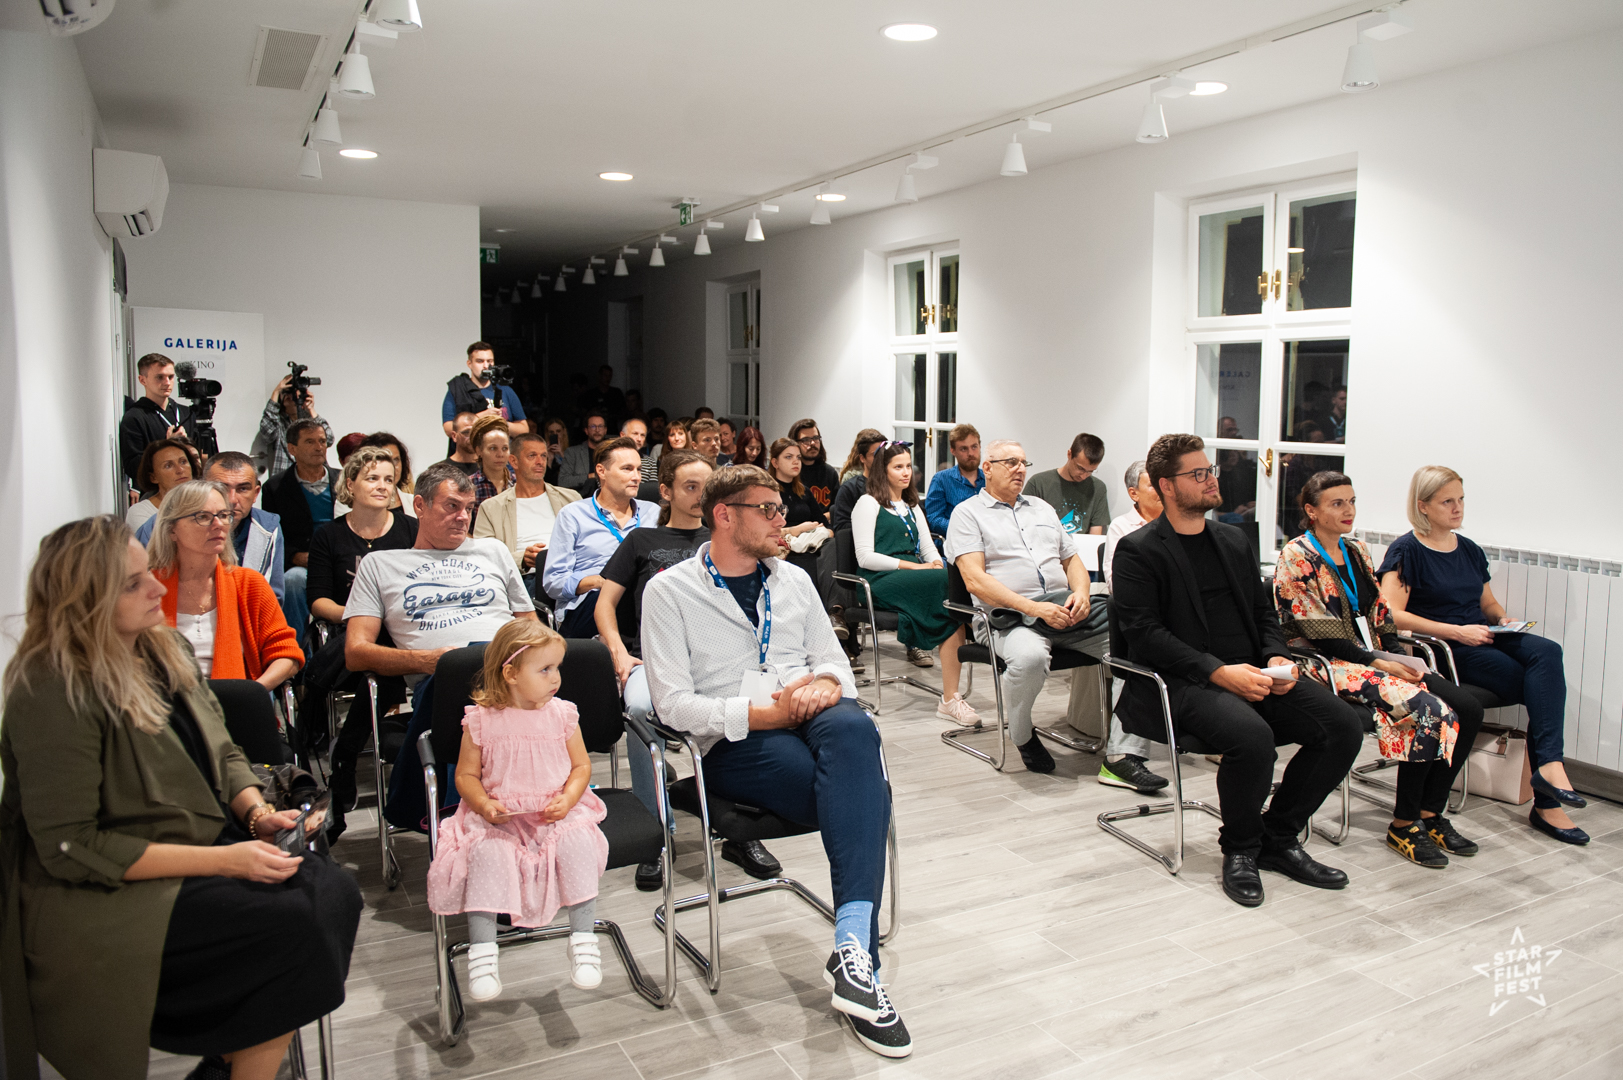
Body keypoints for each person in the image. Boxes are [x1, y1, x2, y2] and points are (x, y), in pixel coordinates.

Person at [0, 516, 360, 1080]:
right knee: (287, 925)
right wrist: (227, 860)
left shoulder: (160, 648)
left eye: (148, 573)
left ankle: (229, 1061)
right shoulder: (53, 689)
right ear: (84, 600)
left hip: (196, 841)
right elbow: (74, 846)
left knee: (333, 892)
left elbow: (222, 750)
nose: (156, 588)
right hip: (107, 888)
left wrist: (257, 813)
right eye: (132, 583)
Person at [641, 465, 912, 1059]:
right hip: (733, 738)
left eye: (780, 508)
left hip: (809, 713)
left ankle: (852, 951)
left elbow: (834, 661)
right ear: (724, 515)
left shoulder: (794, 580)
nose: (780, 520)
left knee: (854, 725)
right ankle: (859, 955)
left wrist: (825, 683)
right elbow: (673, 705)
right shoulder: (668, 592)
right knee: (866, 795)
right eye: (766, 509)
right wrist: (764, 714)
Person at [1112, 434, 1362, 907]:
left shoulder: (1232, 539)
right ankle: (1241, 849)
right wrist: (1218, 672)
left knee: (1342, 726)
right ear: (1167, 486)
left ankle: (1278, 837)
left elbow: (1264, 614)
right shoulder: (1138, 550)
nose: (1211, 480)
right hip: (1183, 681)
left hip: (1256, 672)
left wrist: (1275, 656)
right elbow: (1146, 636)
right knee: (1252, 738)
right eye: (1197, 474)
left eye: (1209, 471)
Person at [1276, 471, 1484, 867]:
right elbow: (1318, 633)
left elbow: (1379, 612)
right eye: (1337, 503)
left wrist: (1400, 657)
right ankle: (1404, 824)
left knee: (1468, 709)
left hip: (1373, 657)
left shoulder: (1356, 550)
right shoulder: (1296, 555)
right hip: (1326, 663)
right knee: (1427, 710)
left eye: (1352, 501)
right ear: (1311, 511)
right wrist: (1381, 663)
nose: (1349, 510)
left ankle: (1430, 813)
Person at [1378, 466, 1587, 845]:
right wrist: (1456, 631)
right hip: (1449, 648)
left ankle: (1550, 767)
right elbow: (1392, 614)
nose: (1457, 508)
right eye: (1447, 501)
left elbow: (1486, 603)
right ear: (1423, 506)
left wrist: (1502, 619)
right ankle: (1547, 802)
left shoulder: (1469, 549)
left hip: (1482, 635)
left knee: (1548, 652)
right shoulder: (1407, 550)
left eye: (1460, 499)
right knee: (1540, 689)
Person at [596, 451, 777, 888]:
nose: (700, 496)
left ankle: (740, 827)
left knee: (751, 701)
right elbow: (605, 605)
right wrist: (618, 652)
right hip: (653, 660)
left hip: (720, 661)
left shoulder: (730, 538)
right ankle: (655, 831)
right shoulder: (641, 540)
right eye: (690, 487)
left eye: (706, 487)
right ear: (666, 491)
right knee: (641, 710)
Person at [343, 462, 538, 830]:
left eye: (469, 508)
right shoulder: (381, 565)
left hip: (510, 670)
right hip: (444, 682)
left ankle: (485, 816)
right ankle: (477, 819)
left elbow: (530, 625)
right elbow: (355, 652)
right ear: (420, 506)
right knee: (462, 672)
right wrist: (429, 660)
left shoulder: (492, 551)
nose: (463, 517)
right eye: (452, 506)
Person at [425, 620, 611, 998]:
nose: (555, 678)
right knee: (485, 853)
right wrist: (483, 803)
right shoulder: (481, 720)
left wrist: (569, 797)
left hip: (554, 812)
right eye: (545, 669)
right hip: (500, 815)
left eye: (557, 668)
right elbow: (465, 776)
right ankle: (483, 952)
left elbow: (581, 767)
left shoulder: (562, 714)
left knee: (577, 844)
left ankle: (583, 941)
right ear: (510, 674)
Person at [944, 440, 1100, 773]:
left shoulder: (1042, 509)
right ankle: (1022, 732)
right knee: (1030, 658)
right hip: (1007, 617)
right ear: (988, 468)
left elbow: (1072, 560)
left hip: (1062, 608)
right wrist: (1033, 608)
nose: (1019, 469)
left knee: (1131, 634)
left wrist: (1082, 593)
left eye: (1023, 463)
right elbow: (975, 581)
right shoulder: (967, 514)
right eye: (1011, 462)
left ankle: (1125, 751)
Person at [307, 446, 419, 839]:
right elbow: (318, 600)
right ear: (350, 483)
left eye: (389, 479)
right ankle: (352, 754)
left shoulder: (410, 529)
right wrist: (361, 615)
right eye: (372, 478)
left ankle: (344, 753)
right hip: (350, 632)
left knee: (382, 655)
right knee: (375, 652)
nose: (383, 486)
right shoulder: (329, 535)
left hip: (404, 632)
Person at [854, 443, 979, 726]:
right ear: (882, 471)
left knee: (949, 593)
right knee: (946, 584)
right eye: (898, 467)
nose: (906, 472)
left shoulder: (911, 504)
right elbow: (865, 557)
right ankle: (981, 627)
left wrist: (935, 562)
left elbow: (928, 546)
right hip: (878, 579)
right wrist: (916, 566)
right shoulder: (867, 503)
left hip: (916, 577)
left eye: (908, 466)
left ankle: (950, 699)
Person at [149, 481, 305, 689]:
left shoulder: (250, 584)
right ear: (171, 530)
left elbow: (287, 654)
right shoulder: (148, 588)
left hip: (234, 699)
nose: (218, 524)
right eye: (203, 517)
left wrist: (253, 691)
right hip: (166, 701)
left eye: (223, 515)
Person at [1094, 460, 1169, 794]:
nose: (1161, 489)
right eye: (1152, 484)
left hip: (1179, 617)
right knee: (1138, 656)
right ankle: (1120, 757)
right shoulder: (1122, 528)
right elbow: (1118, 585)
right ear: (1134, 493)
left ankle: (1225, 738)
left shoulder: (1177, 522)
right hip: (1142, 617)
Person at [543, 437, 659, 638]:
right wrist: (598, 582)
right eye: (627, 469)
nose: (637, 477)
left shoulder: (653, 512)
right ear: (601, 471)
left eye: (639, 470)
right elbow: (554, 581)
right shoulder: (573, 514)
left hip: (643, 602)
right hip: (589, 604)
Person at [137, 451, 286, 603]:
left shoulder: (267, 528)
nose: (232, 499)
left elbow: (272, 598)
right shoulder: (163, 524)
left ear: (256, 493)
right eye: (222, 488)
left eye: (243, 489)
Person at [261, 419, 339, 643]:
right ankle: (296, 652)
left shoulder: (345, 480)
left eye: (322, 441)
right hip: (302, 562)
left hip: (341, 557)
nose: (319, 447)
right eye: (310, 442)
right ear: (292, 448)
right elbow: (273, 534)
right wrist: (295, 556)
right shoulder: (275, 487)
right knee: (293, 581)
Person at [473, 431, 582, 592]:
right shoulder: (491, 508)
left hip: (571, 573)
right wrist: (522, 559)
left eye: (543, 456)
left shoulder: (570, 498)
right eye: (532, 456)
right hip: (525, 578)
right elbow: (484, 556)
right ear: (514, 461)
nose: (540, 462)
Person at [119, 352, 194, 482]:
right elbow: (132, 467)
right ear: (142, 380)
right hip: (156, 490)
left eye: (170, 377)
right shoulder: (134, 417)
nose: (167, 383)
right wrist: (167, 446)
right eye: (160, 377)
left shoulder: (186, 413)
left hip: (188, 487)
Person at [443, 341, 528, 455]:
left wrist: (501, 423)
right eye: (480, 361)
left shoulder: (505, 390)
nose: (486, 366)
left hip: (502, 458)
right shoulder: (458, 389)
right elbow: (449, 429)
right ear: (469, 363)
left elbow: (524, 429)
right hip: (470, 457)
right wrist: (482, 418)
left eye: (489, 361)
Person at [1024, 432, 1111, 537]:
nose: (1084, 476)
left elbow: (1095, 536)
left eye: (1090, 471)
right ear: (1069, 454)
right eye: (1080, 468)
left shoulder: (1098, 488)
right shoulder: (1038, 483)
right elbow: (1024, 525)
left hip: (1082, 546)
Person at [251, 372, 335, 479]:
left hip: (314, 479)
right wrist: (276, 392)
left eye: (295, 395)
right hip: (286, 480)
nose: (291, 398)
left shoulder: (311, 423)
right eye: (287, 394)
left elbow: (329, 439)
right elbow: (267, 433)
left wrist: (311, 410)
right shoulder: (278, 422)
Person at [923, 423, 984, 541]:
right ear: (953, 451)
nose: (971, 453)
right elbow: (935, 520)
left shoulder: (990, 479)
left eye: (974, 447)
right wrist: (965, 529)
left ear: (980, 446)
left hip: (987, 542)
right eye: (964, 449)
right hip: (956, 542)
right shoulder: (941, 479)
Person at [126, 437, 199, 532]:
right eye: (168, 465)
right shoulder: (140, 512)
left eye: (183, 462)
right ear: (153, 477)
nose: (180, 470)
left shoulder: (206, 502)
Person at [788, 418, 841, 517]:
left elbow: (838, 506)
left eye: (816, 438)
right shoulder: (790, 473)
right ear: (795, 443)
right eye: (806, 440)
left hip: (825, 523)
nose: (813, 443)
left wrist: (823, 519)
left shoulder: (829, 472)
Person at [468, 414, 513, 515]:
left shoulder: (519, 484)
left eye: (505, 448)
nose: (500, 454)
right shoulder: (469, 485)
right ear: (479, 451)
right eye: (493, 448)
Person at [360, 431, 415, 513]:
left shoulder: (415, 503)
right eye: (385, 461)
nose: (392, 467)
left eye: (396, 460)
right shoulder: (351, 506)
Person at [558, 413, 609, 491]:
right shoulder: (573, 453)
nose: (597, 430)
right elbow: (563, 481)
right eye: (593, 426)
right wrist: (589, 476)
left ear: (605, 430)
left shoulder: (613, 452)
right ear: (586, 430)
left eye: (600, 426)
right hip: (581, 497)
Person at [443, 411, 482, 477]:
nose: (473, 437)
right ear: (454, 436)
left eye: (477, 432)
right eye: (467, 432)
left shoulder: (490, 469)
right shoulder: (439, 471)